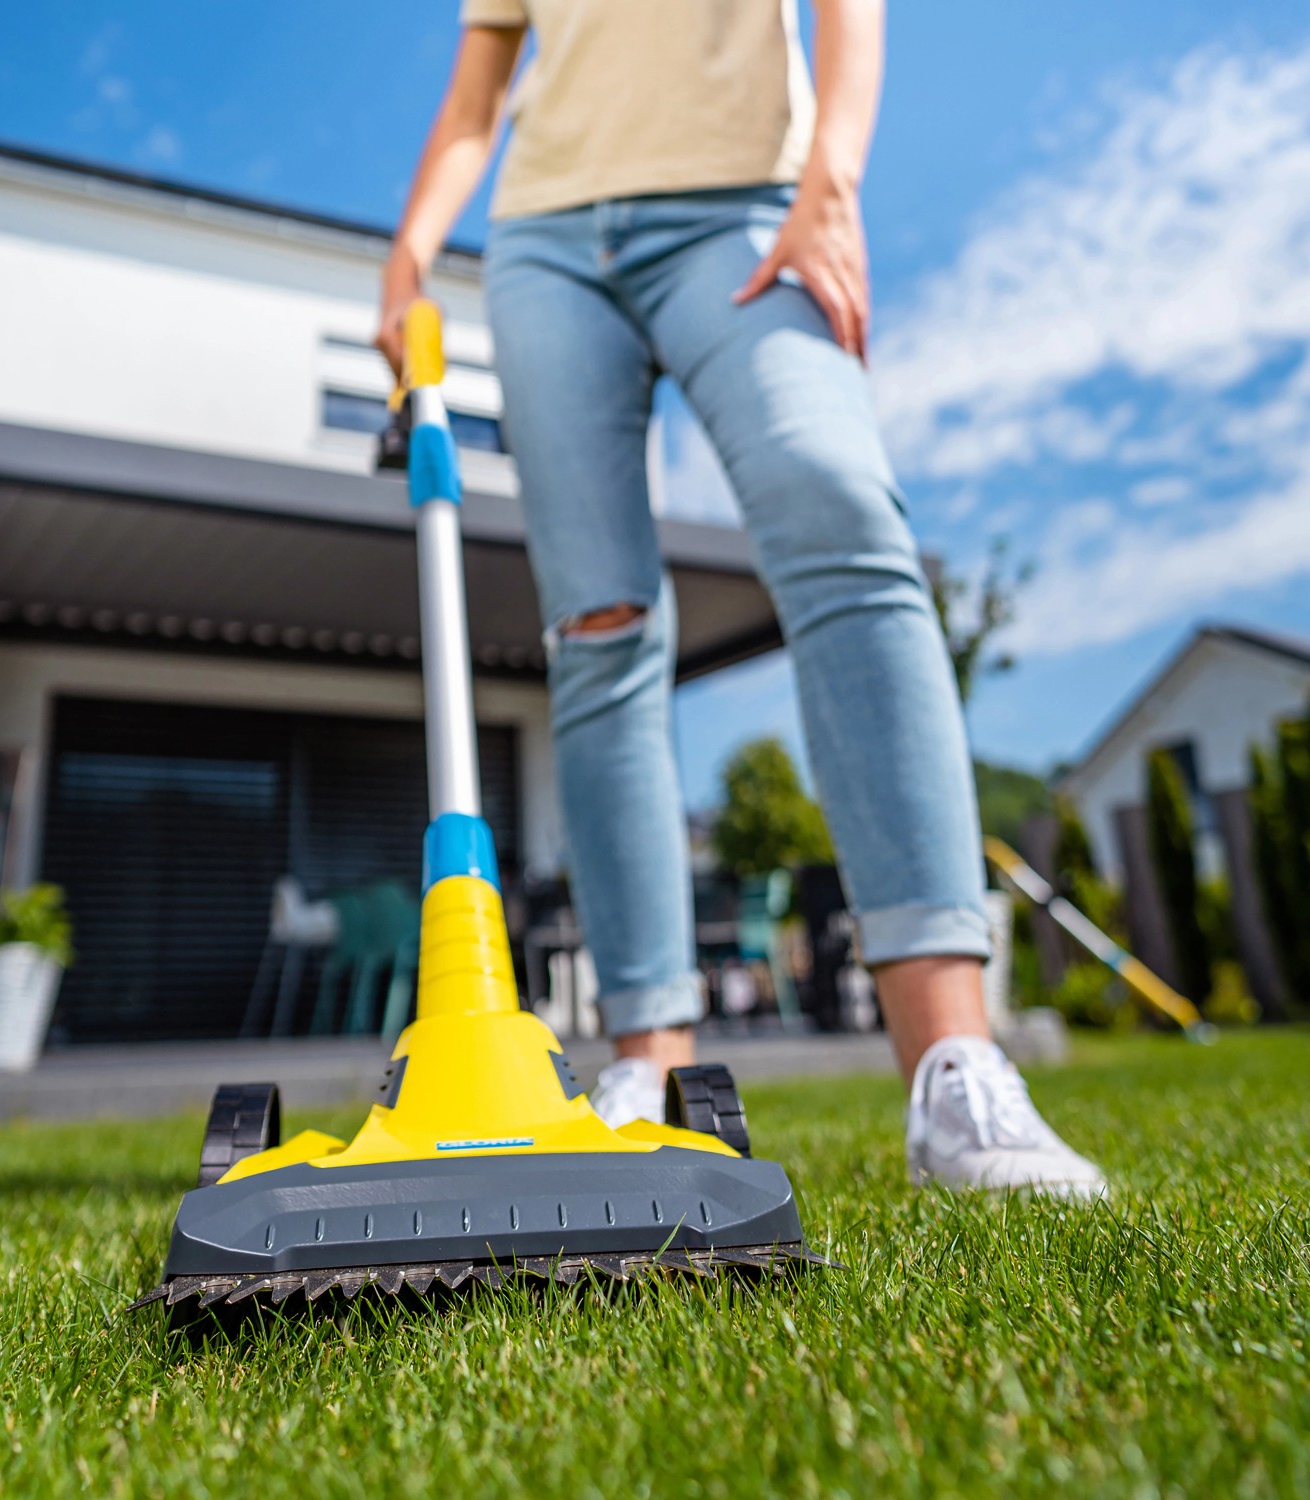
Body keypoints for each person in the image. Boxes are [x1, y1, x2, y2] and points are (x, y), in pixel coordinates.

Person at [378, 0, 1105, 1196]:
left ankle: (954, 1070)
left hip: (744, 208)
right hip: (546, 244)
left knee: (844, 519)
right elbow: (475, 100)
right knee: (597, 626)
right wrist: (410, 251)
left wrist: (833, 181)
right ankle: (647, 1069)